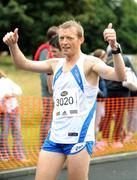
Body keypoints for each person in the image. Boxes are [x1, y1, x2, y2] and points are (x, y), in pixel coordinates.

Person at [3, 20, 126, 180]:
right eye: (62, 38)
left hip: (79, 140)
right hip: (55, 137)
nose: (64, 42)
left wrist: (114, 47)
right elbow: (23, 64)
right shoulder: (55, 64)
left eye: (69, 38)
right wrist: (13, 45)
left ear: (80, 39)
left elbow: (120, 75)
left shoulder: (89, 63)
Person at [99, 47, 135, 148]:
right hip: (122, 92)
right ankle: (116, 140)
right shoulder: (126, 59)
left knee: (107, 116)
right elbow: (133, 74)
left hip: (109, 92)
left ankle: (104, 140)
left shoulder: (105, 60)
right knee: (119, 117)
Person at [33, 26, 59, 145]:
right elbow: (45, 73)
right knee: (47, 118)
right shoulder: (46, 50)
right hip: (49, 92)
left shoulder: (54, 50)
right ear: (53, 36)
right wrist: (52, 89)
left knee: (53, 119)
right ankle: (43, 144)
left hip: (54, 91)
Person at [0, 70, 28, 162]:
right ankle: (4, 155)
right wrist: (3, 97)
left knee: (17, 132)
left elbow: (19, 90)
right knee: (4, 133)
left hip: (13, 109)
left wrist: (10, 94)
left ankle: (19, 155)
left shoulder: (6, 81)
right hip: (3, 112)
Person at [92, 49, 108, 150]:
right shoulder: (95, 69)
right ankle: (92, 143)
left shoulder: (103, 70)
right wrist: (101, 94)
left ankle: (95, 141)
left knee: (97, 122)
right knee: (94, 123)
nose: (105, 59)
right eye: (103, 57)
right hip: (96, 101)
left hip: (101, 102)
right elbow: (95, 87)